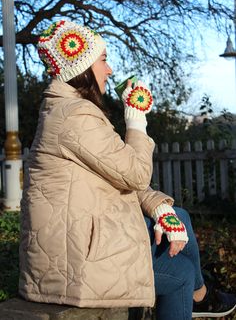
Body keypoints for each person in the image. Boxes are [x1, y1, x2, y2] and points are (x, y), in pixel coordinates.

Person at [19, 20, 236, 320]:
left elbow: (117, 176)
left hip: (80, 245)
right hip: (71, 267)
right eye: (103, 60)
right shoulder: (76, 116)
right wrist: (136, 122)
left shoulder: (68, 111)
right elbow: (134, 173)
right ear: (82, 66)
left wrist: (158, 207)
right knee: (182, 273)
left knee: (178, 217)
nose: (109, 70)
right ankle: (200, 295)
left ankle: (201, 297)